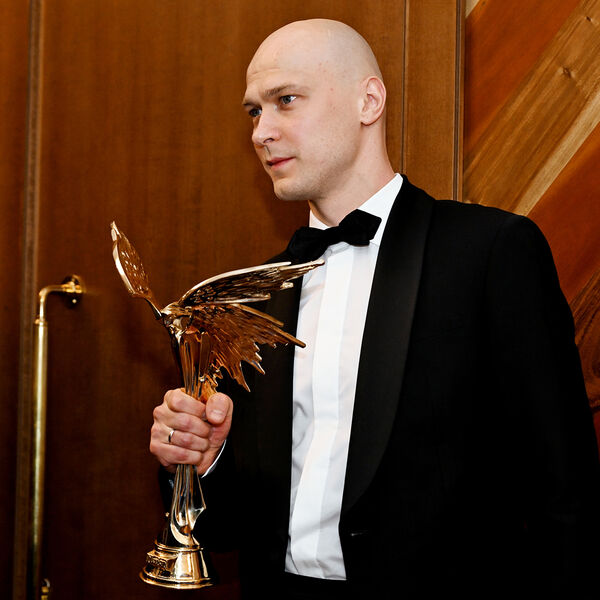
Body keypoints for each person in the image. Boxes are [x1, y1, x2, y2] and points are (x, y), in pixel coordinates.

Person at [150, 19, 600, 600]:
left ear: (368, 102)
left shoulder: (490, 253)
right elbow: (229, 528)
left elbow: (565, 493)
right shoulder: (251, 297)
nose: (262, 131)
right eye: (254, 111)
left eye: (286, 100)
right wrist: (203, 462)